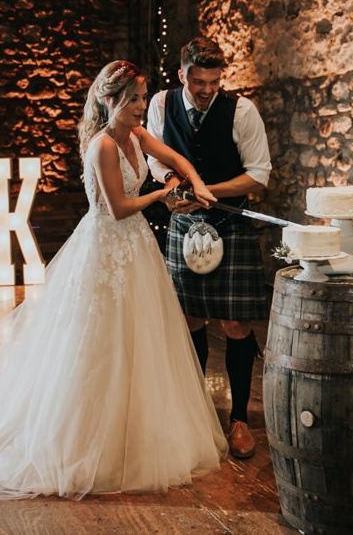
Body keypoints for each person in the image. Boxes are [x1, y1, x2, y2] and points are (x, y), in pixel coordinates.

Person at [0, 60, 228, 499]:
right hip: (105, 248)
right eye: (132, 98)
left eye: (142, 96)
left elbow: (173, 157)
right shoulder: (103, 147)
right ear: (109, 100)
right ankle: (88, 441)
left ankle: (139, 430)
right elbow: (117, 208)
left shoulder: (135, 135)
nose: (140, 106)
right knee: (98, 344)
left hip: (135, 252)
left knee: (140, 341)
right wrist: (163, 194)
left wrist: (196, 181)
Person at [147, 37, 272, 460]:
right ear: (182, 74)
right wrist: (170, 187)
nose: (206, 90)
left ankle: (239, 419)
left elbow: (258, 174)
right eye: (198, 81)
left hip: (230, 222)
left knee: (236, 325)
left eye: (214, 82)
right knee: (190, 320)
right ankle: (193, 414)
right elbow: (157, 161)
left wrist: (206, 190)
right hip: (184, 224)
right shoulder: (161, 105)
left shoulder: (241, 111)